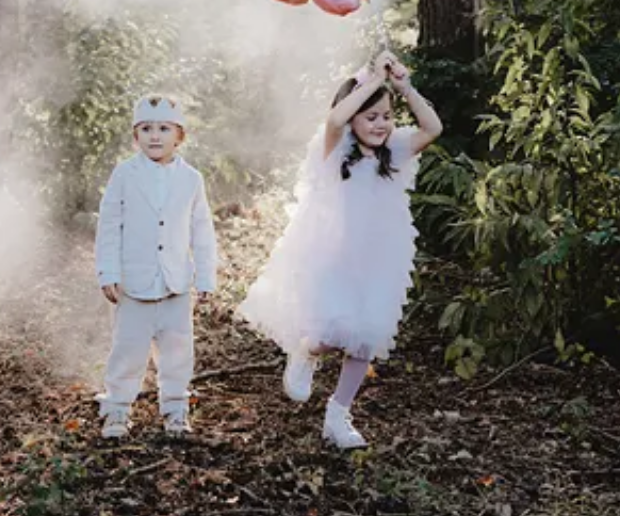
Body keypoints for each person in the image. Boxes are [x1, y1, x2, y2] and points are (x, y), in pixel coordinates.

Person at [238, 50, 442, 449]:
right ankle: (306, 352)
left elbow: (433, 127)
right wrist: (369, 79)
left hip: (380, 257)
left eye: (386, 115)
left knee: (367, 337)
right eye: (371, 116)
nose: (381, 124)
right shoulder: (333, 151)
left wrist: (403, 87)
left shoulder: (396, 151)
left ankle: (338, 415)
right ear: (352, 120)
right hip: (335, 255)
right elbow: (333, 118)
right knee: (331, 331)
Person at [95, 94, 217, 439]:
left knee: (178, 351)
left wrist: (206, 276)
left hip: (175, 283)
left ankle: (176, 408)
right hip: (134, 283)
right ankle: (117, 409)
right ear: (136, 135)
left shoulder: (192, 179)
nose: (154, 136)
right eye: (146, 128)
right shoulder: (124, 173)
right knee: (128, 349)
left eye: (164, 128)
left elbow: (202, 230)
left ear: (179, 135)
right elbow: (109, 224)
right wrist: (108, 272)